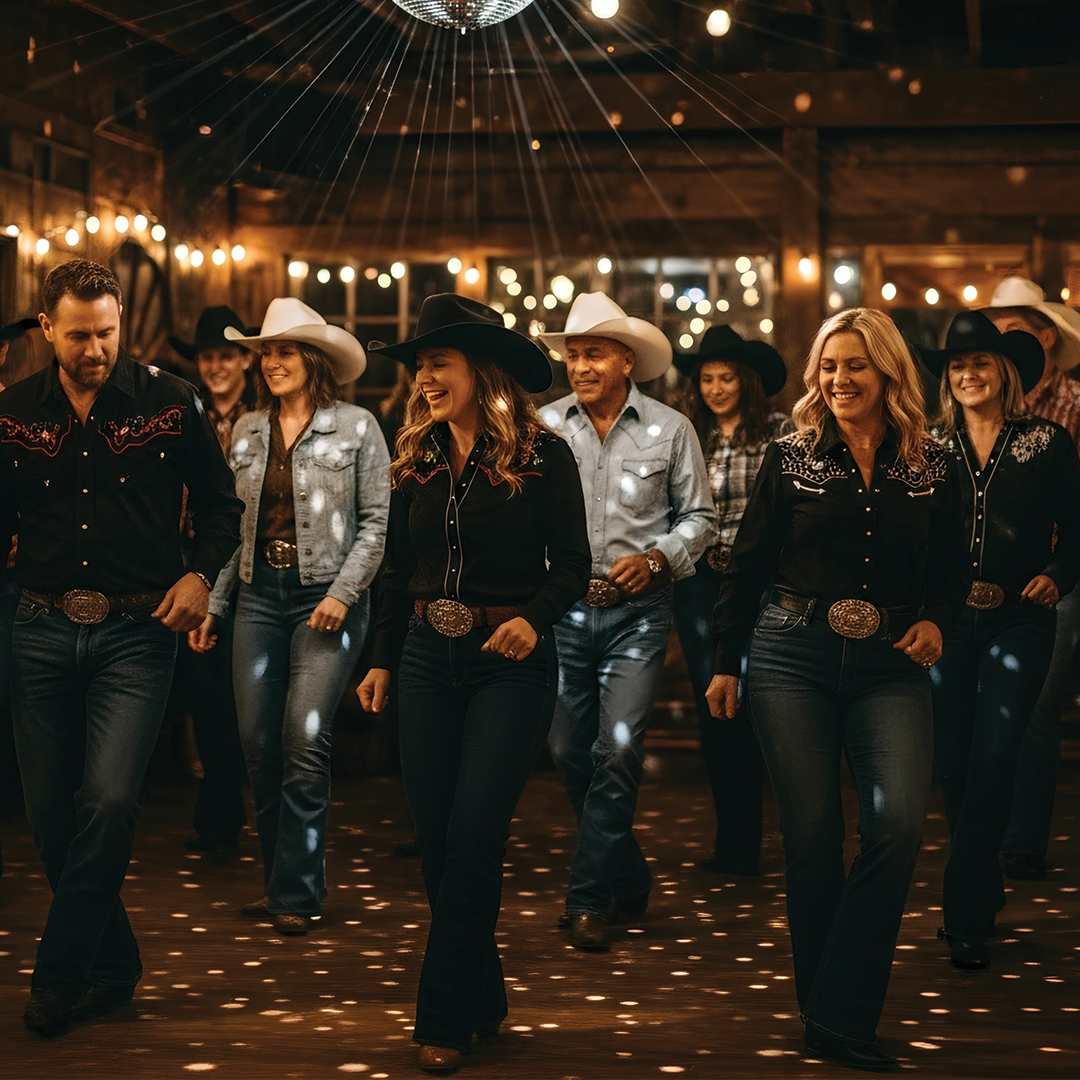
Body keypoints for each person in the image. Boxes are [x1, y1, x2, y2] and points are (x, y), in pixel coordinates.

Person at [706, 307, 967, 1072]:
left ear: (889, 372)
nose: (839, 379)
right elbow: (746, 565)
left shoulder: (934, 462)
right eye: (828, 365)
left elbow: (953, 566)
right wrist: (726, 660)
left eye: (856, 364)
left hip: (892, 661)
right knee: (814, 840)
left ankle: (836, 1006)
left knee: (896, 832)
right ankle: (833, 1018)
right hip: (792, 655)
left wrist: (940, 622)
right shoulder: (790, 457)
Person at [0, 259, 242, 1036]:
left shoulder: (172, 402)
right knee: (48, 816)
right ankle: (116, 962)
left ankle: (59, 975)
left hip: (138, 634)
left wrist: (203, 576)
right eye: (79, 335)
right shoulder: (11, 413)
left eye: (108, 331)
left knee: (106, 802)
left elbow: (220, 507)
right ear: (47, 329)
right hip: (38, 629)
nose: (96, 348)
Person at [357, 294, 589, 1074]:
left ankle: (444, 1014)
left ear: (478, 371)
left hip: (510, 663)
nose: (423, 378)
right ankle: (483, 993)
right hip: (426, 655)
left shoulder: (541, 456)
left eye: (436, 363)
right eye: (420, 366)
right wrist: (383, 656)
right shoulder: (414, 457)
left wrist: (536, 618)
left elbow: (574, 565)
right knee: (436, 843)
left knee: (475, 837)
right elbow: (396, 570)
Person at [191, 297, 390, 935]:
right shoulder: (248, 430)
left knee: (303, 739)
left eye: (282, 350)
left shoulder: (358, 427)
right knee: (256, 746)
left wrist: (343, 593)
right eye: (265, 352)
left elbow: (377, 525)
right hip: (256, 595)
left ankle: (296, 891)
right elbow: (230, 527)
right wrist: (215, 605)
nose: (270, 362)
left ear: (313, 358)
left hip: (324, 600)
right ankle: (285, 879)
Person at [537, 292, 716, 952]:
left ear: (626, 361)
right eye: (573, 355)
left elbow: (701, 519)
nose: (579, 366)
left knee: (616, 750)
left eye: (593, 354)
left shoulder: (671, 429)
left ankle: (588, 898)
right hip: (561, 613)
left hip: (636, 616)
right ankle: (627, 871)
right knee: (564, 750)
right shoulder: (543, 427)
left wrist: (659, 558)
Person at [922, 310, 1080, 971]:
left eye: (980, 363)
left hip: (1021, 617)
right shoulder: (928, 446)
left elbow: (1077, 527)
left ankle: (962, 913)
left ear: (1006, 372)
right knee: (953, 763)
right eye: (957, 366)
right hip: (949, 622)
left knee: (993, 758)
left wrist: (1056, 573)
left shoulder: (1047, 441)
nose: (967, 375)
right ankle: (982, 887)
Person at [672, 325, 793, 876]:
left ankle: (795, 839)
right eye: (707, 379)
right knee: (715, 709)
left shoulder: (780, 432)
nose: (716, 388)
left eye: (726, 378)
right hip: (700, 583)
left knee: (771, 705)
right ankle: (735, 846)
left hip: (763, 583)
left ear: (746, 381)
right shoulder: (687, 434)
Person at [984, 277, 1080, 880]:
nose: (998, 343)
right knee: (990, 705)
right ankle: (991, 836)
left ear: (1044, 336)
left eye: (1011, 330)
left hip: (1056, 574)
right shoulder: (989, 406)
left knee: (1037, 703)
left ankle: (1022, 843)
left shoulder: (1073, 407)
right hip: (990, 575)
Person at [169, 306, 258, 854]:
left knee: (242, 693)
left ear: (245, 358)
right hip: (194, 556)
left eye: (226, 354)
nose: (216, 365)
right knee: (204, 690)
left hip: (254, 562)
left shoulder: (263, 413)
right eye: (208, 356)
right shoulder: (185, 410)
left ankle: (244, 807)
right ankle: (219, 814)